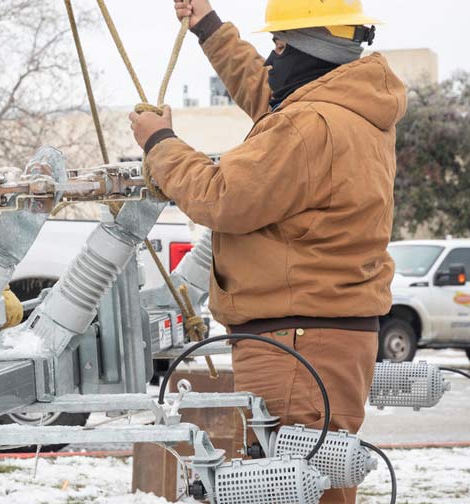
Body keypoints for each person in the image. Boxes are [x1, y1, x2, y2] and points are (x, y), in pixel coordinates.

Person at [129, 1, 406, 502]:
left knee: (288, 487)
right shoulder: (349, 111)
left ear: (313, 47)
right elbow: (266, 90)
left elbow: (221, 196)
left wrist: (161, 143)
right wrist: (208, 27)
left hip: (296, 344)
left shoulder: (306, 128)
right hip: (326, 337)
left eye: (279, 45)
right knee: (318, 484)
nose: (271, 60)